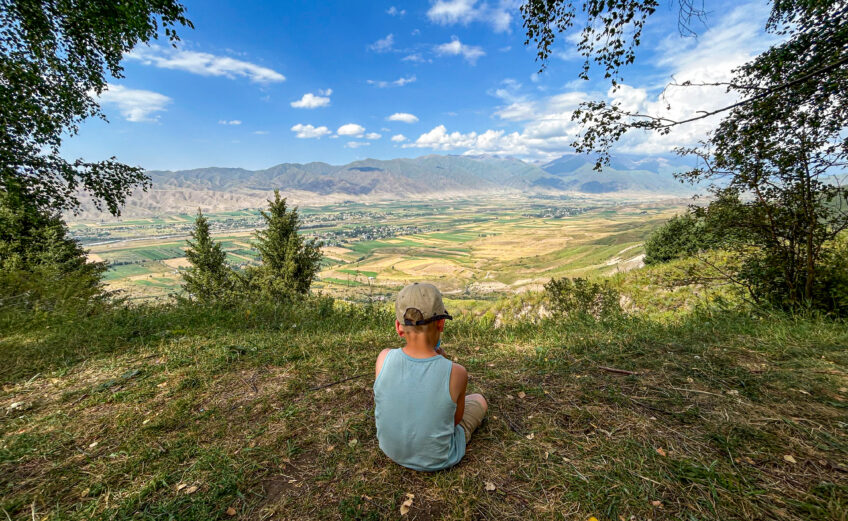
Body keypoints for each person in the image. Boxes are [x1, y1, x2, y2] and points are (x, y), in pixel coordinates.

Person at [373, 282, 488, 471]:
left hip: (390, 449)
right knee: (478, 400)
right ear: (441, 323)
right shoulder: (457, 372)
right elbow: (454, 421)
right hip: (438, 459)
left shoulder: (383, 358)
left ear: (398, 327)